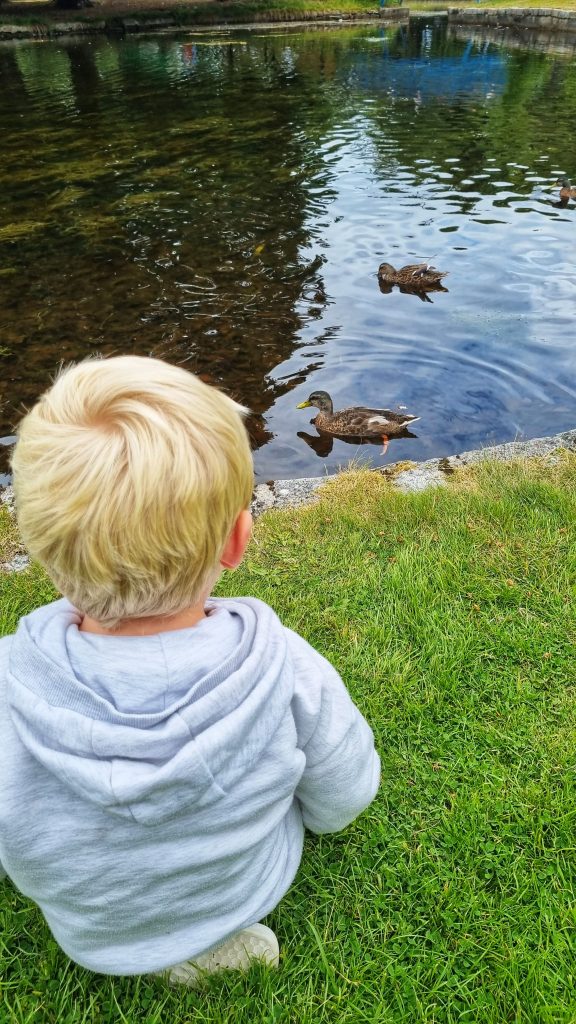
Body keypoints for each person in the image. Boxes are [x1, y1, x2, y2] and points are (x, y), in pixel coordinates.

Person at [0, 355, 380, 985]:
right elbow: (344, 792)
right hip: (241, 888)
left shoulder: (9, 682)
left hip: (91, 930)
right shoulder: (282, 664)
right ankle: (213, 934)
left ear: (38, 545)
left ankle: (141, 931)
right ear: (237, 539)